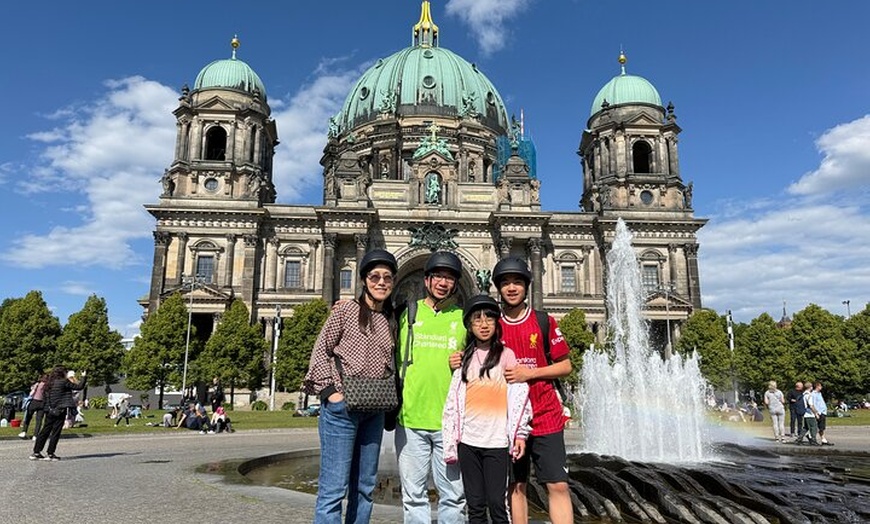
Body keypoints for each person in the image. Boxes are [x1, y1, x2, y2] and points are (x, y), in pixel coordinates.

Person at [302, 248, 398, 524]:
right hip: (342, 409)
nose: (381, 282)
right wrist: (330, 392)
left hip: (374, 410)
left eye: (387, 278)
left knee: (365, 488)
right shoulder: (345, 310)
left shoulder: (390, 319)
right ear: (365, 280)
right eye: (375, 277)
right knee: (333, 489)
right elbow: (321, 350)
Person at [492, 257, 573, 524]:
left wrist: (530, 373)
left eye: (517, 282)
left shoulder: (544, 321)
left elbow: (565, 366)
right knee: (516, 485)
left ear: (526, 286)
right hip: (511, 419)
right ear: (499, 288)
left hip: (546, 414)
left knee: (557, 484)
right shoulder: (493, 326)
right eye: (505, 283)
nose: (511, 288)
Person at [442, 295, 532, 524]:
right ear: (469, 326)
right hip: (468, 442)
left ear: (496, 323)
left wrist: (520, 434)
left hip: (497, 443)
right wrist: (451, 438)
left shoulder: (506, 355)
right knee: (475, 505)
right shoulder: (464, 358)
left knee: (497, 503)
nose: (484, 324)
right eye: (477, 320)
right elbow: (453, 401)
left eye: (489, 319)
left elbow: (520, 396)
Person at [394, 251, 466, 524]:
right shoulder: (405, 314)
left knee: (454, 496)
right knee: (413, 496)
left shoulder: (464, 318)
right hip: (410, 419)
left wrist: (466, 359)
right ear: (427, 280)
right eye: (438, 276)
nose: (443, 283)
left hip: (450, 422)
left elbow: (485, 357)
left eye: (449, 278)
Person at [30, 367, 87, 461]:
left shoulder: (49, 382)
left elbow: (45, 396)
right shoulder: (63, 382)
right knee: (56, 432)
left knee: (45, 430)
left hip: (49, 409)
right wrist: (84, 376)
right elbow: (79, 387)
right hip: (60, 409)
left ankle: (36, 452)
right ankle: (50, 453)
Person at [19, 374, 47, 440]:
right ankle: (35, 435)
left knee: (28, 417)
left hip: (34, 402)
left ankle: (24, 431)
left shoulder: (37, 384)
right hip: (42, 403)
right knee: (39, 420)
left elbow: (31, 393)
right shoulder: (47, 386)